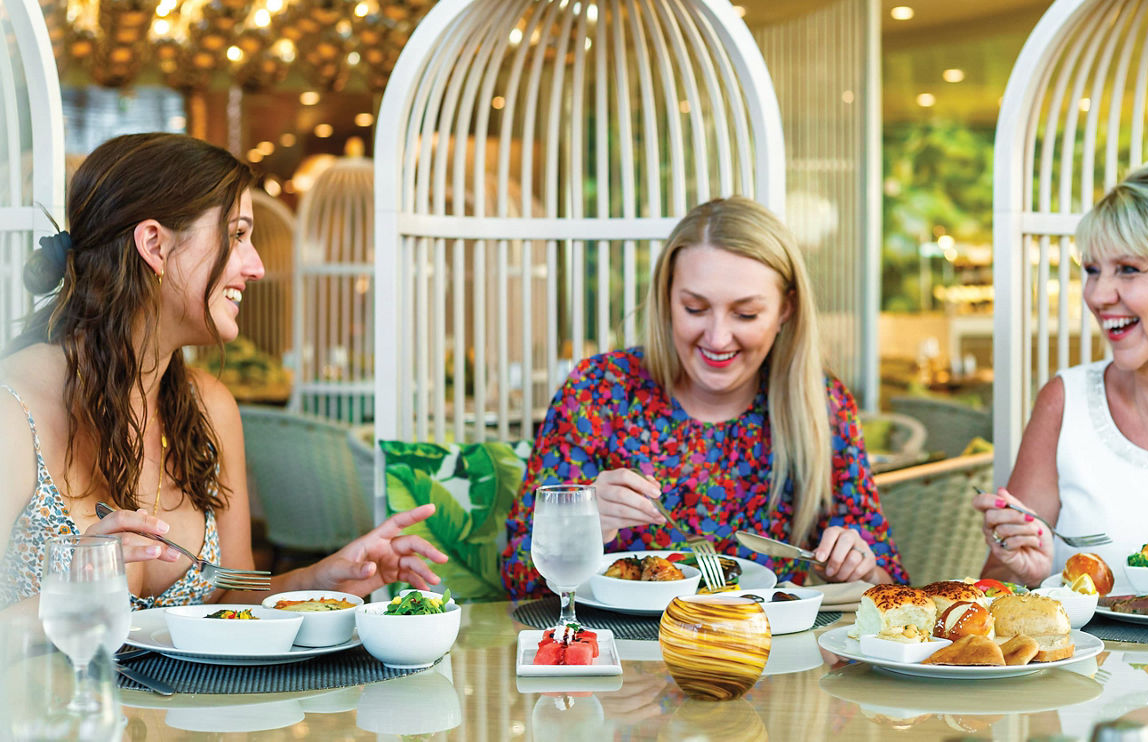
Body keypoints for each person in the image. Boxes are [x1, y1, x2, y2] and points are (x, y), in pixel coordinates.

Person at [0, 133, 446, 612]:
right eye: (236, 235)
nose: (255, 266)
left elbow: (231, 597)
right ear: (154, 243)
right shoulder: (13, 411)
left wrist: (322, 579)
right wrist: (65, 598)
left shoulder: (208, 408)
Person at [501, 196, 906, 597]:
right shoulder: (600, 391)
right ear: (666, 299)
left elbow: (890, 585)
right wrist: (585, 529)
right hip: (617, 655)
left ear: (786, 308)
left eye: (745, 314)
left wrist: (859, 568)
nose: (717, 338)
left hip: (766, 657)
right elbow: (517, 574)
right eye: (694, 308)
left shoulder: (822, 405)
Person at [972, 162, 1148, 588]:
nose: (1098, 296)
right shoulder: (1066, 404)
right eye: (1091, 270)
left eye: (1129, 269)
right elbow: (996, 588)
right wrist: (1024, 571)